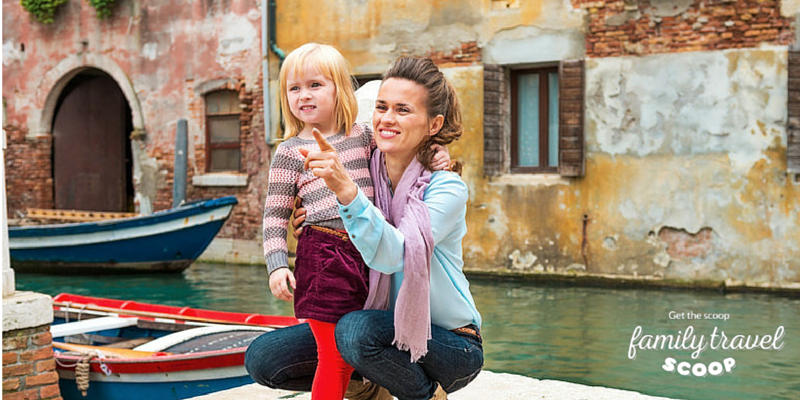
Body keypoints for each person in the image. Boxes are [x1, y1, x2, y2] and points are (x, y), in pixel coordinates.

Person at [248, 57, 483, 400]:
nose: (388, 118)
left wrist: (346, 192)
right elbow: (332, 213)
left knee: (355, 331)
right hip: (378, 325)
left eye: (403, 110)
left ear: (433, 124)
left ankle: (425, 393)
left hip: (450, 342)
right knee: (265, 358)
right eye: (382, 107)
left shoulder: (445, 189)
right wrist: (314, 225)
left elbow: (394, 254)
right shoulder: (366, 168)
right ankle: (372, 380)